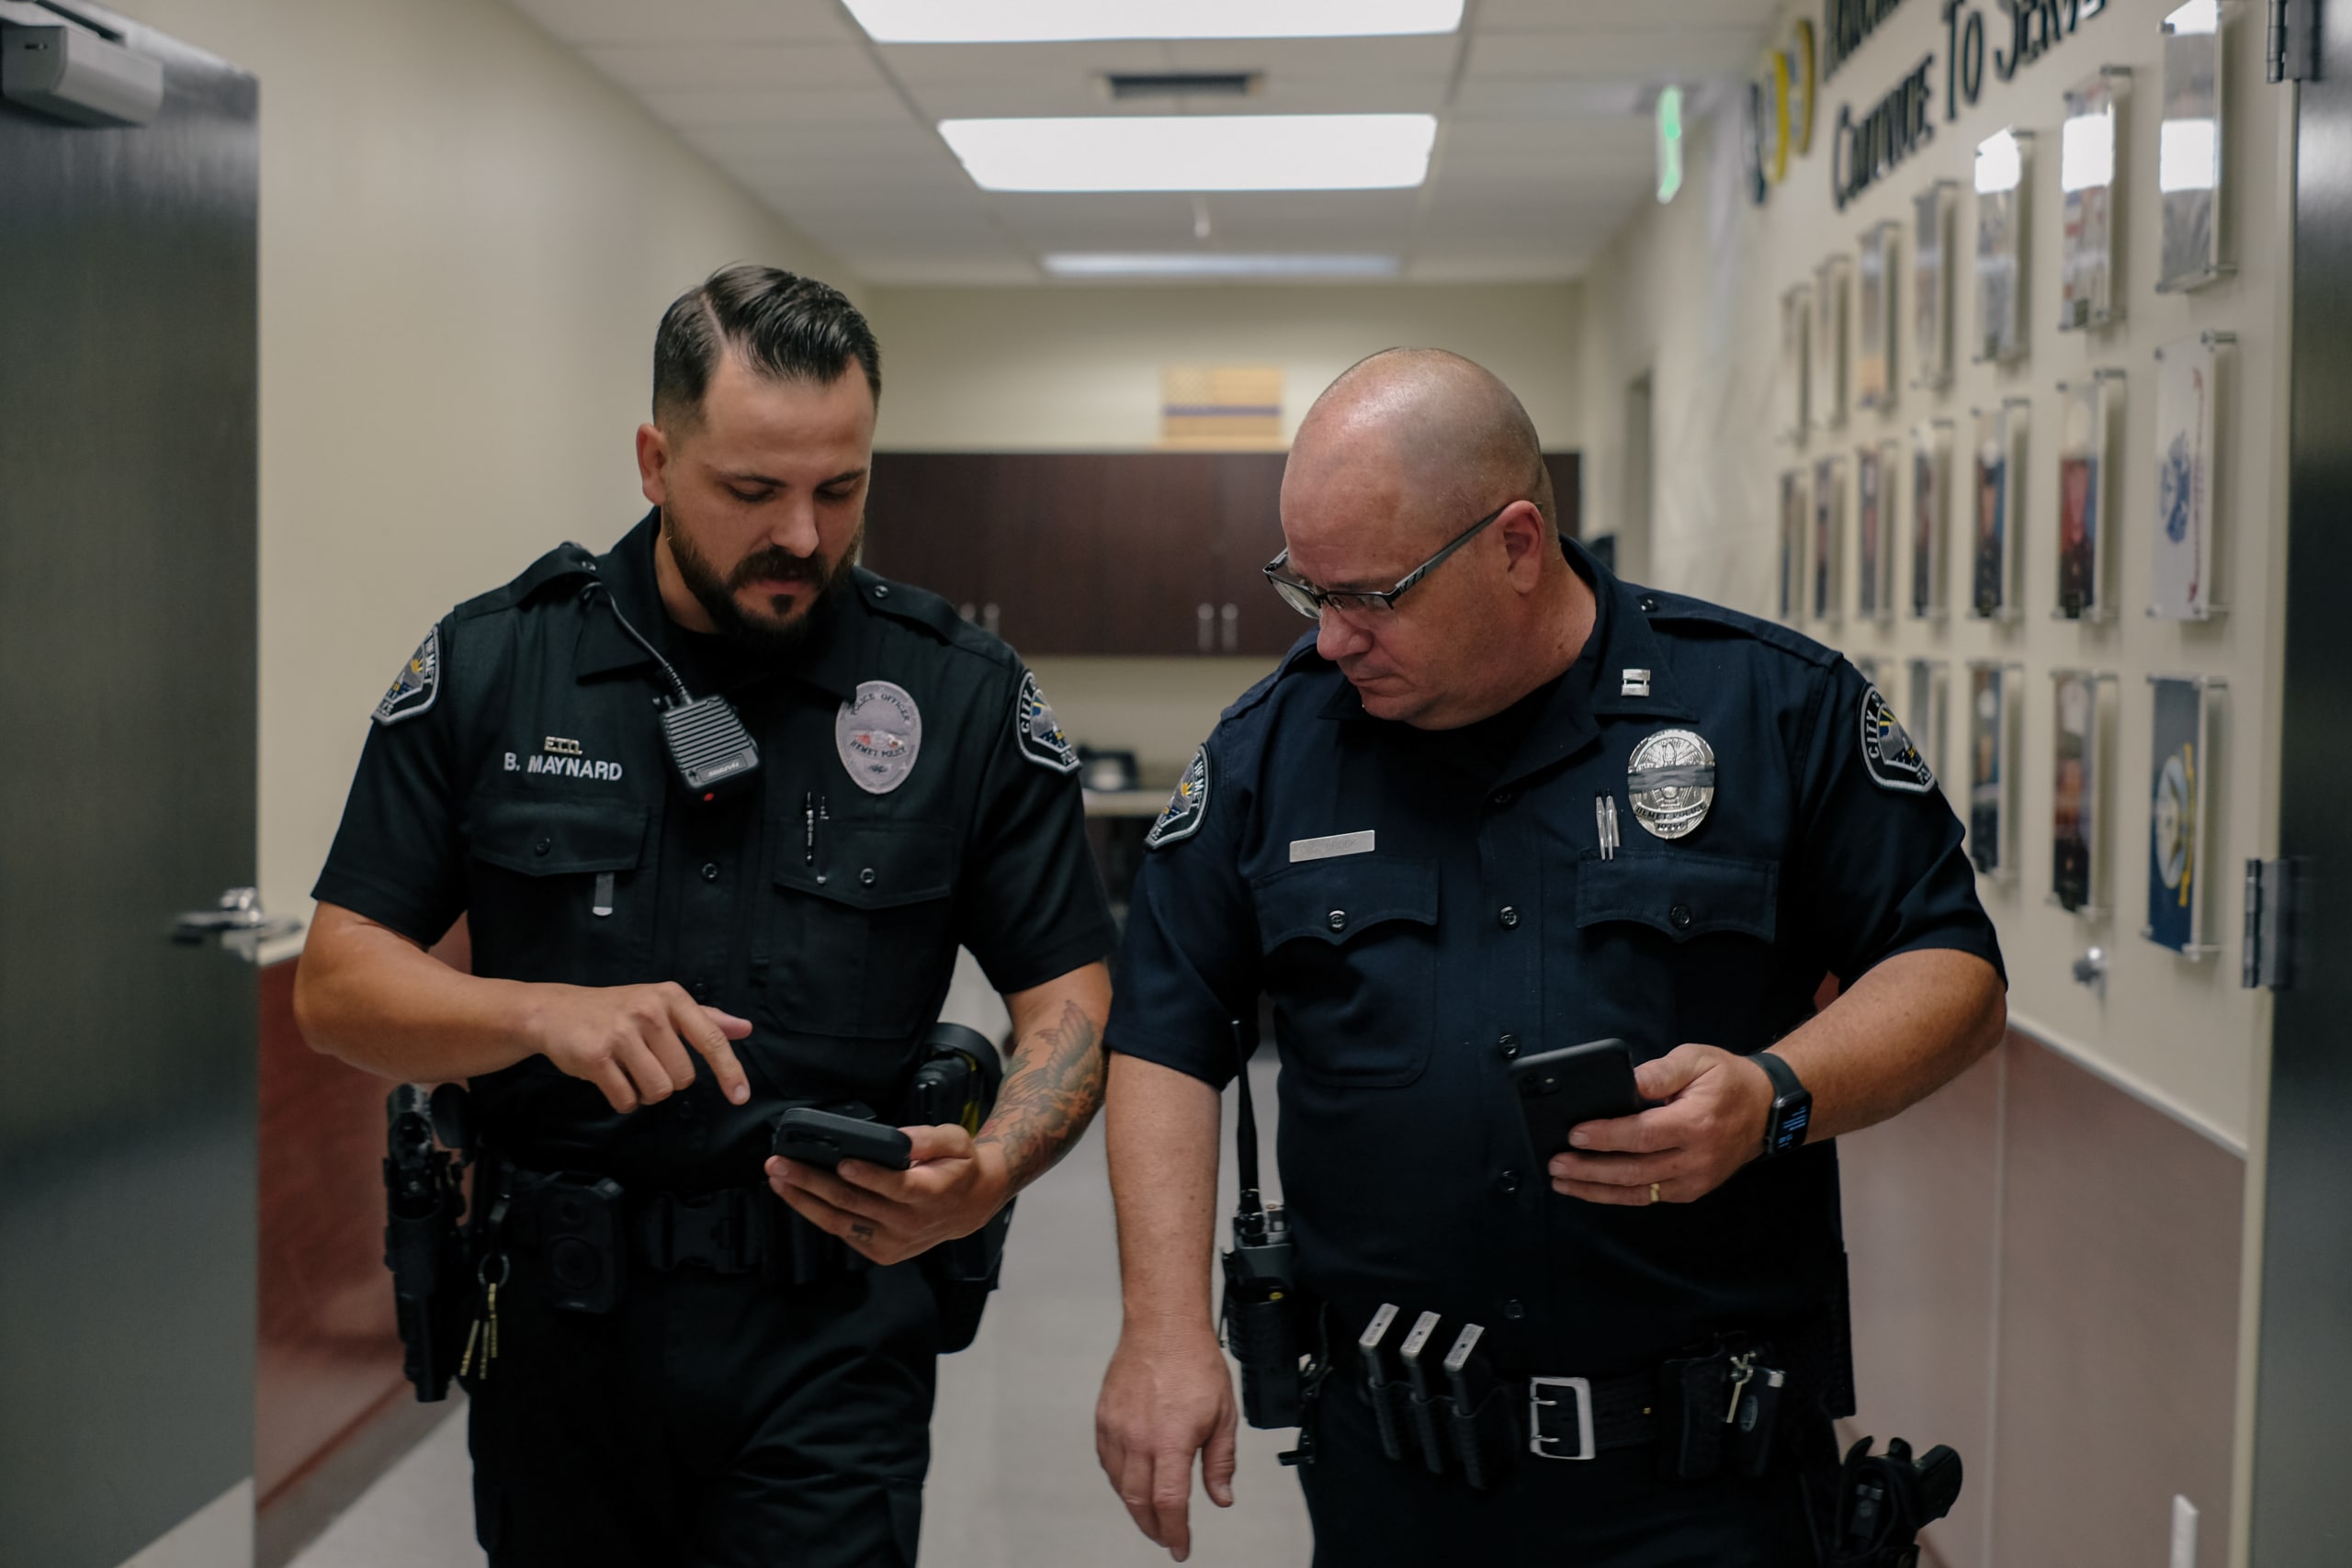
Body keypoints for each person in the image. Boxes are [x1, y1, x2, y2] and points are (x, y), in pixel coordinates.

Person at [1092, 349, 2007, 1566]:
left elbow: (1952, 968)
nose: (1328, 640)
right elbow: (1165, 1028)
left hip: (1707, 1482)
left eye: (1370, 595)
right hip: (1398, 1476)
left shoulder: (1770, 711)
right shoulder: (1273, 754)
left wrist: (1775, 1100)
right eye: (1302, 589)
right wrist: (1162, 1332)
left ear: (1515, 546)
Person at [296, 265, 1117, 1566]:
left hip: (831, 1327)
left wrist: (995, 1168)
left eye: (839, 488)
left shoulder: (955, 694)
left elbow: (1068, 996)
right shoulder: (498, 665)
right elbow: (336, 984)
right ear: (654, 459)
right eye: (753, 491)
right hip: (560, 1327)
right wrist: (536, 1012)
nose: (802, 532)